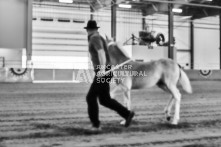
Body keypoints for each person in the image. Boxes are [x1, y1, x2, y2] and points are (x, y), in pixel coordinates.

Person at [84, 20, 135, 131]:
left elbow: (101, 53)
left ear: (88, 30)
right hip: (107, 71)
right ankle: (127, 114)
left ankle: (96, 125)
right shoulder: (99, 37)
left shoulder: (94, 38)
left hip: (103, 71)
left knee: (90, 97)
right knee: (105, 100)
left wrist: (102, 70)